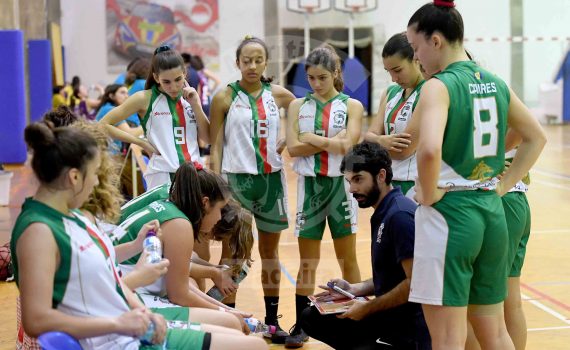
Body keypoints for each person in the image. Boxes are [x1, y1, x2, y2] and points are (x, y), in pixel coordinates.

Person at [13, 122, 269, 350]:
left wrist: (135, 249)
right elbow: (36, 319)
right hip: (117, 337)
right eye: (94, 175)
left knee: (249, 340)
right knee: (252, 345)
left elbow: (95, 263)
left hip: (131, 322)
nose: (96, 184)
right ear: (74, 177)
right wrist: (122, 319)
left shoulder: (72, 216)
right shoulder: (38, 232)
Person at [406, 1, 546, 349]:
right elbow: (536, 136)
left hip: (452, 216)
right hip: (491, 212)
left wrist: (428, 192)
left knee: (448, 337)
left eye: (415, 48)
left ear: (435, 41)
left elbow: (428, 149)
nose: (416, 58)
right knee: (495, 332)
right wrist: (501, 186)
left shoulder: (438, 86)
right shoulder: (495, 81)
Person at [299, 141, 431, 349]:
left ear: (381, 175)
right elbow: (392, 276)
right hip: (387, 315)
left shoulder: (399, 217)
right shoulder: (384, 210)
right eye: (349, 181)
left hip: (407, 331)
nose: (352, 189)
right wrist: (354, 289)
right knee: (311, 316)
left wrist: (367, 308)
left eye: (358, 179)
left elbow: (415, 284)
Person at [209, 35, 296, 344]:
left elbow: (307, 109)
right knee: (233, 252)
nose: (253, 65)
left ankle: (272, 322)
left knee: (270, 253)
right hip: (237, 183)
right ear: (237, 63)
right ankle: (226, 318)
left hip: (271, 182)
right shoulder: (224, 98)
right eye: (247, 60)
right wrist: (218, 185)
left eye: (259, 60)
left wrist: (289, 140)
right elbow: (215, 145)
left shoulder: (279, 95)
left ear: (266, 63)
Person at [111, 162, 254, 333]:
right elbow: (179, 294)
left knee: (221, 312)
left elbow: (182, 274)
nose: (218, 217)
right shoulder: (179, 224)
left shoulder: (172, 201)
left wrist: (230, 311)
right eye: (220, 209)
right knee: (229, 324)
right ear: (205, 203)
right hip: (121, 294)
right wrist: (225, 312)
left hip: (115, 277)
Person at [285, 44, 363, 348]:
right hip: (310, 189)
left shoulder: (352, 105)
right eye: (311, 77)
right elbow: (292, 149)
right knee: (308, 261)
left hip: (342, 187)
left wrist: (311, 139)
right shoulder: (296, 106)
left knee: (348, 259)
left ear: (336, 73)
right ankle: (301, 324)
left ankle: (358, 319)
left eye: (322, 77)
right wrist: (333, 141)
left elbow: (349, 146)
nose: (316, 83)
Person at [100, 45, 210, 189]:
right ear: (156, 77)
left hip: (194, 175)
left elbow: (208, 139)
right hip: (162, 177)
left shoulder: (190, 97)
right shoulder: (144, 98)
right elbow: (103, 124)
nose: (174, 87)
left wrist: (196, 104)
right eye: (166, 82)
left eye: (178, 79)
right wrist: (141, 143)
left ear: (184, 73)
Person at [364, 32, 425, 198]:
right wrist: (380, 140)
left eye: (398, 70)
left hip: (415, 184)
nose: (393, 78)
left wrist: (373, 148)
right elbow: (369, 136)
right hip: (387, 182)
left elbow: (404, 151)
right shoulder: (390, 93)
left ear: (416, 59)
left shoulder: (429, 91)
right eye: (389, 71)